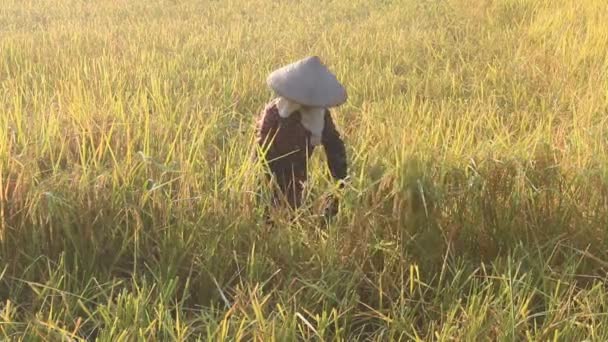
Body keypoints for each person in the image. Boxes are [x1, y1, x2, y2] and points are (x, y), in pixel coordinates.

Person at [254, 56, 348, 220]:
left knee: (293, 213)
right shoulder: (275, 112)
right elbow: (261, 151)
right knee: (269, 212)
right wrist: (263, 185)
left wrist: (340, 181)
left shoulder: (320, 116)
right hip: (272, 170)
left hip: (298, 172)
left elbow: (334, 146)